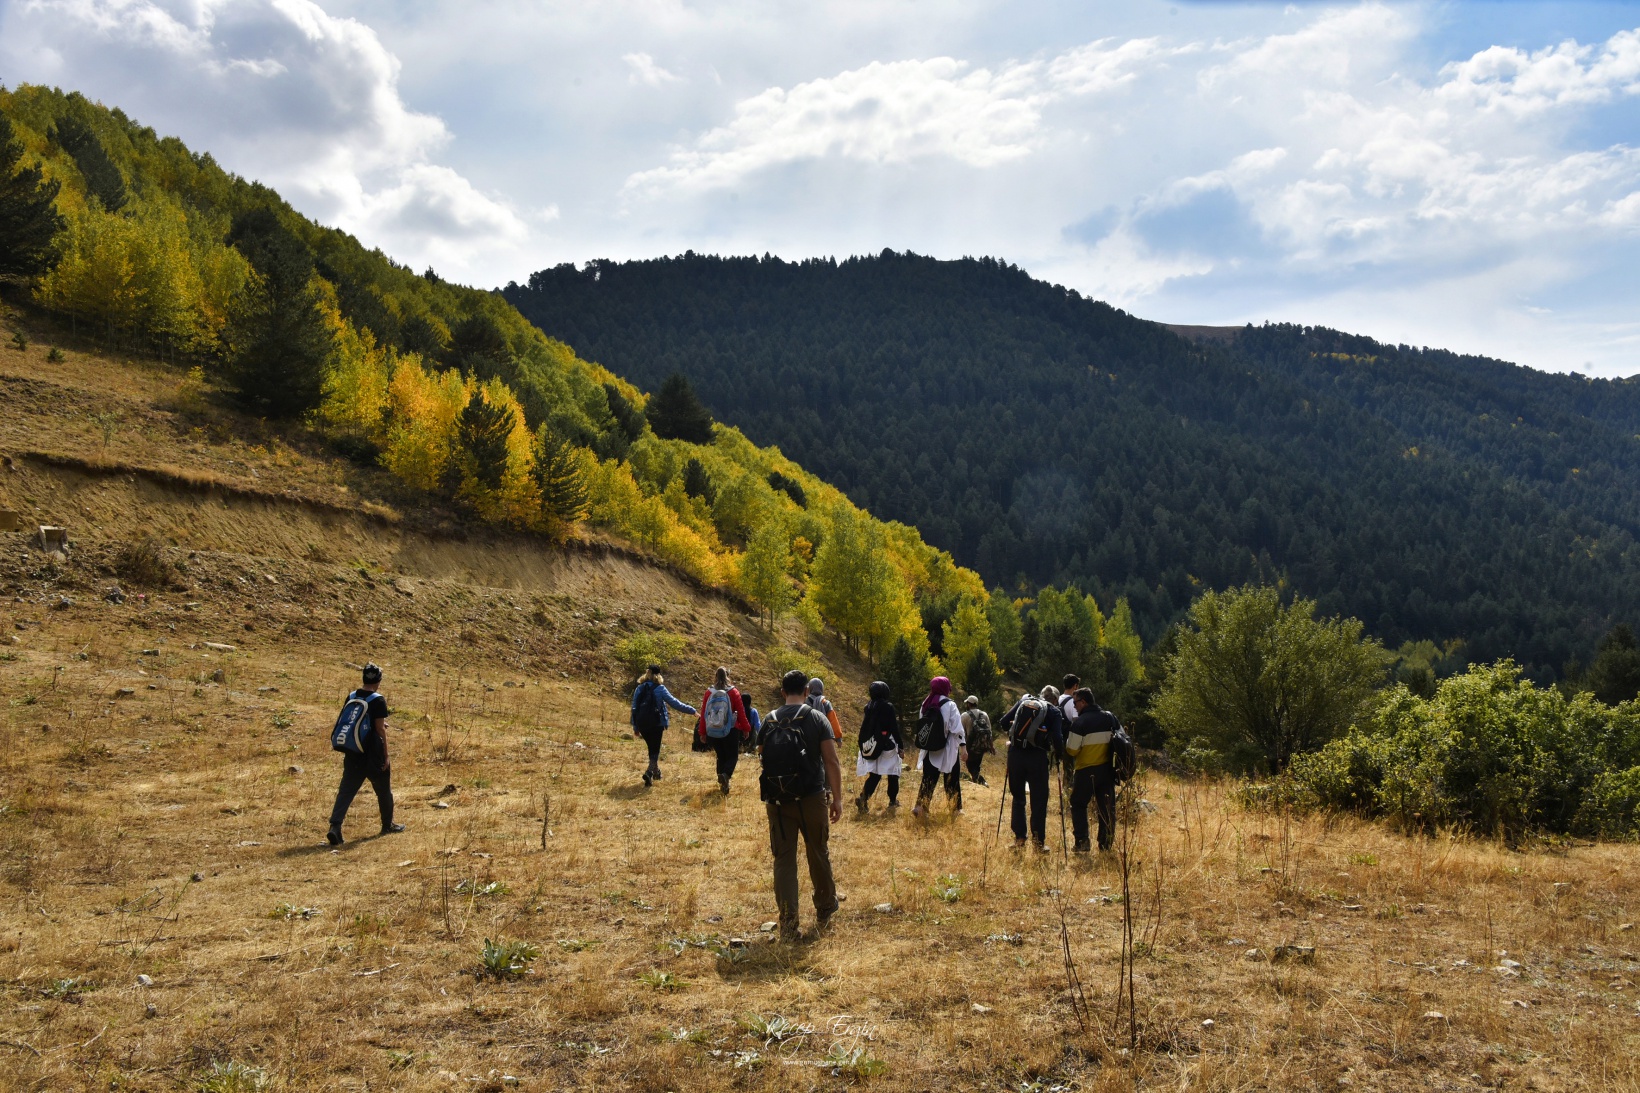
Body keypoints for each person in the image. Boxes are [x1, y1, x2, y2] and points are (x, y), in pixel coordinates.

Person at [759, 669, 843, 942]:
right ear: (807, 692)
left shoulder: (769, 720)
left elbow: (763, 757)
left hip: (777, 800)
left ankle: (788, 924)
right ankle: (825, 907)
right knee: (817, 851)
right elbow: (831, 760)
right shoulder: (817, 718)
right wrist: (837, 798)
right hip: (811, 798)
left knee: (783, 860)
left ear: (783, 692)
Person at [327, 663, 404, 845]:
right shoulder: (378, 700)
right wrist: (386, 755)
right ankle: (387, 825)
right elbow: (379, 729)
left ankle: (335, 826)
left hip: (353, 751)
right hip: (373, 753)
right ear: (379, 680)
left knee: (346, 791)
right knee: (383, 790)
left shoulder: (352, 696)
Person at [997, 685, 1067, 850]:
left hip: (1016, 755)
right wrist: (1059, 754)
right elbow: (1057, 737)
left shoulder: (1024, 702)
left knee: (1018, 797)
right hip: (1037, 757)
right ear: (1055, 699)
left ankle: (1019, 838)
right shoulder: (1054, 711)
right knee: (1039, 800)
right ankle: (1038, 842)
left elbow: (1004, 723)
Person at [1066, 687, 1120, 852]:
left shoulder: (1080, 723)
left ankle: (1082, 842)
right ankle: (1106, 844)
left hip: (1086, 770)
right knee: (1106, 808)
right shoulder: (1110, 717)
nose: (1074, 706)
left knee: (1078, 803)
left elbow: (1072, 750)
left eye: (1075, 702)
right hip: (1107, 770)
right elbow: (1122, 740)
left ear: (1083, 702)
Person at [630, 665, 697, 788]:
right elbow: (675, 703)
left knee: (652, 748)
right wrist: (692, 710)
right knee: (655, 750)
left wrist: (635, 726)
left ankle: (656, 773)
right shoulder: (660, 688)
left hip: (642, 723)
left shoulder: (639, 688)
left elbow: (634, 708)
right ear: (658, 675)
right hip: (656, 723)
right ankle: (649, 772)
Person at [911, 676, 966, 818]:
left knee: (928, 778)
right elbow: (957, 729)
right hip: (948, 748)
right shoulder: (950, 704)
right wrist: (963, 748)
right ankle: (955, 809)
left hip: (930, 747)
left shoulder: (926, 703)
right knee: (952, 779)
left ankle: (920, 807)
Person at [696, 667, 753, 795]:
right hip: (731, 730)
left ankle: (723, 782)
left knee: (721, 756)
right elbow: (741, 713)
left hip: (713, 730)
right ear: (728, 676)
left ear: (715, 676)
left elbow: (704, 713)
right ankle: (726, 775)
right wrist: (746, 728)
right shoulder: (734, 692)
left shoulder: (709, 692)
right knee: (732, 756)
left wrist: (702, 732)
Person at [854, 681, 903, 813]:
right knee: (893, 774)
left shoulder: (868, 706)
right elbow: (894, 728)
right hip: (887, 745)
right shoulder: (888, 707)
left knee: (875, 775)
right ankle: (892, 801)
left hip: (873, 744)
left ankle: (863, 798)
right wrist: (901, 746)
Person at [961, 695, 994, 786]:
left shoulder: (965, 715)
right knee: (977, 764)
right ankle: (977, 781)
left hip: (970, 745)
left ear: (969, 704)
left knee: (970, 765)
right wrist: (991, 746)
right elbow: (989, 731)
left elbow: (960, 732)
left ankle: (982, 781)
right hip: (982, 744)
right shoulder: (984, 714)